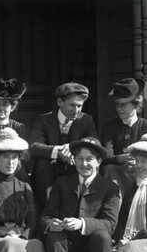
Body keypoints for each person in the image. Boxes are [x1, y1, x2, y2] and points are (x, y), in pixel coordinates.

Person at [40, 137, 120, 252]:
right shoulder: (62, 183)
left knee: (103, 237)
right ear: (74, 161)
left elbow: (110, 223)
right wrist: (53, 224)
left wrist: (82, 223)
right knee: (53, 236)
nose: (84, 164)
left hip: (93, 249)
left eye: (89, 159)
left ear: (98, 162)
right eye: (79, 159)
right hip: (65, 249)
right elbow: (45, 216)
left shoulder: (110, 188)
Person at [29, 82, 97, 211]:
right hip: (50, 168)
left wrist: (73, 148)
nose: (76, 110)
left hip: (73, 165)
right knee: (42, 165)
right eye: (72, 105)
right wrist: (60, 150)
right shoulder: (44, 119)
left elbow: (94, 141)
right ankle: (48, 214)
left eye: (79, 106)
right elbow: (33, 146)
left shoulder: (86, 120)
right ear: (60, 102)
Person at [99, 78, 147, 200]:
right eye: (117, 104)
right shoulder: (109, 125)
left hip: (138, 169)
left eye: (123, 104)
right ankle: (113, 206)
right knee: (108, 169)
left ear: (135, 103)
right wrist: (120, 158)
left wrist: (136, 160)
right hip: (116, 170)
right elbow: (106, 156)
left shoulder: (145, 126)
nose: (119, 108)